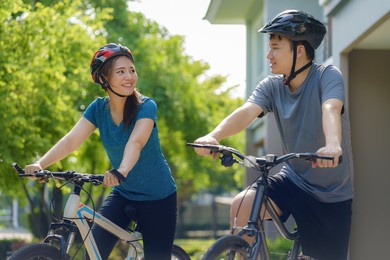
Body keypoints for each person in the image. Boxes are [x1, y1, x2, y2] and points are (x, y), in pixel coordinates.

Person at [193, 10, 353, 260]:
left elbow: (330, 108)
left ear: (299, 50)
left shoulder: (327, 76)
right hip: (293, 179)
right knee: (242, 205)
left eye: (276, 47)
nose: (269, 55)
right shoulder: (271, 85)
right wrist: (214, 136)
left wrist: (333, 145)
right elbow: (246, 112)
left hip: (330, 193)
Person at [24, 43, 177, 259]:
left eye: (132, 70)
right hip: (123, 194)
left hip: (158, 197)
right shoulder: (98, 109)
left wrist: (121, 171)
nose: (129, 76)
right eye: (121, 71)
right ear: (104, 79)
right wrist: (41, 164)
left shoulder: (146, 107)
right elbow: (71, 141)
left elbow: (136, 142)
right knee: (93, 253)